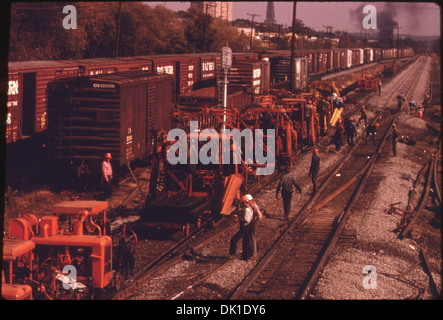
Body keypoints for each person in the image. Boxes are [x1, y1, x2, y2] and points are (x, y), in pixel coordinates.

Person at [229, 195, 254, 260]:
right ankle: (246, 256)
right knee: (246, 241)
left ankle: (233, 254)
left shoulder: (246, 210)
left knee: (234, 239)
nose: (242, 204)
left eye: (243, 203)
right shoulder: (250, 208)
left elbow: (246, 220)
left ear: (246, 202)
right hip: (248, 227)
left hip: (245, 227)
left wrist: (239, 218)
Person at [244, 194, 262, 259]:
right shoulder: (250, 206)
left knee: (252, 238)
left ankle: (254, 254)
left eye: (247, 202)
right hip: (249, 224)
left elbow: (260, 216)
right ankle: (248, 253)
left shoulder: (254, 206)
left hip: (252, 224)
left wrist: (255, 221)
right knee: (249, 238)